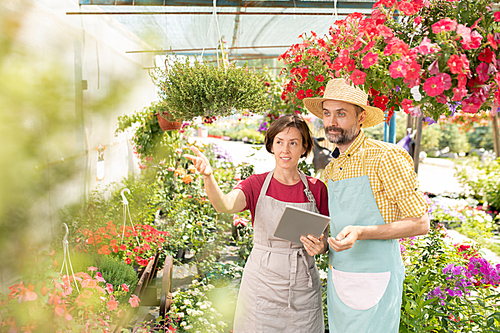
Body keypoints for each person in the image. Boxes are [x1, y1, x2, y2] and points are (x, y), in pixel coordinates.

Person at [303, 78, 430, 333]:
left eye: (341, 114)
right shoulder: (331, 168)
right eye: (327, 114)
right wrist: (323, 243)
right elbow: (337, 227)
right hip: (340, 278)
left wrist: (362, 232)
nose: (332, 122)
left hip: (377, 277)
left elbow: (420, 223)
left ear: (360, 117)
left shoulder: (386, 156)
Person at [184, 114, 329, 332]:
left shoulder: (317, 188)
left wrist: (321, 246)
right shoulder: (256, 185)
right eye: (279, 142)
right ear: (271, 145)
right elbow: (224, 205)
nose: (285, 150)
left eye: (293, 143)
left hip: (302, 285)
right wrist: (208, 177)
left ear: (304, 147)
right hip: (262, 282)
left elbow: (325, 237)